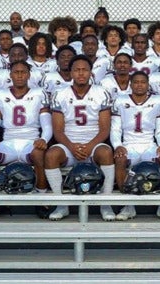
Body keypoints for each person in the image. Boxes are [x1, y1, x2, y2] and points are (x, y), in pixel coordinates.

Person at [44, 55, 116, 221]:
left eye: (85, 70)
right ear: (70, 73)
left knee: (106, 152)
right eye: (77, 70)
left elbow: (105, 129)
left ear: (91, 72)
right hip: (70, 144)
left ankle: (106, 203)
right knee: (51, 155)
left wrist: (90, 146)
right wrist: (72, 147)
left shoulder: (101, 92)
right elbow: (58, 130)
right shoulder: (60, 94)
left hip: (94, 143)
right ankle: (61, 204)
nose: (81, 73)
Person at [0, 61, 52, 218]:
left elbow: (47, 123)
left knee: (39, 153)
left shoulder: (40, 93)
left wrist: (44, 139)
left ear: (28, 75)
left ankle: (41, 198)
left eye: (23, 72)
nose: (19, 75)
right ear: (10, 75)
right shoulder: (0, 93)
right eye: (16, 72)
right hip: (9, 142)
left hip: (31, 140)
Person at [110, 71, 160, 221]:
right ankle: (127, 205)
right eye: (136, 82)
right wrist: (118, 146)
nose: (139, 85)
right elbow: (115, 129)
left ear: (148, 84)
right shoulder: (120, 100)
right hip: (129, 144)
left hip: (148, 144)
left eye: (142, 82)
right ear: (130, 84)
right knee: (120, 160)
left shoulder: (159, 100)